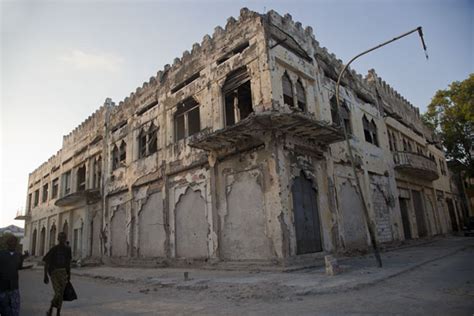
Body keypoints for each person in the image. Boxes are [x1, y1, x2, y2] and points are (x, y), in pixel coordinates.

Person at [43, 232, 72, 316]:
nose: (62, 239)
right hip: (54, 273)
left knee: (61, 294)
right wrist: (45, 275)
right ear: (58, 239)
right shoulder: (54, 249)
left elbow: (68, 263)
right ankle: (51, 308)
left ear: (65, 238)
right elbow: (46, 262)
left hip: (63, 273)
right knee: (58, 293)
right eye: (60, 238)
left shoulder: (67, 250)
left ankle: (58, 312)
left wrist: (69, 274)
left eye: (64, 238)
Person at [0, 235, 23, 316]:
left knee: (15, 310)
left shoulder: (19, 255)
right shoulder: (1, 254)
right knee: (4, 310)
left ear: (16, 243)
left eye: (14, 241)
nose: (12, 243)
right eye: (10, 241)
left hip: (14, 287)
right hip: (3, 287)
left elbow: (19, 267)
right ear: (7, 243)